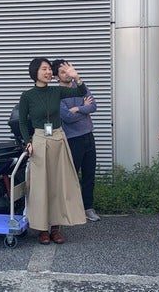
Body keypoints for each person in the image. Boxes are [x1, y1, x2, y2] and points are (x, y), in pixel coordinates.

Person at [18, 57, 87, 244]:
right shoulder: (27, 96)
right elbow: (23, 122)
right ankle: (42, 229)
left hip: (58, 139)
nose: (48, 72)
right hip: (40, 141)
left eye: (49, 69)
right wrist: (27, 142)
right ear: (35, 72)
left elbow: (81, 92)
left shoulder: (57, 91)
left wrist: (76, 77)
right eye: (44, 69)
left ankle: (56, 228)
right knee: (41, 186)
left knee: (58, 184)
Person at [52, 59, 100, 222]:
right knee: (71, 176)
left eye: (68, 70)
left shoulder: (79, 87)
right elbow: (67, 117)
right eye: (62, 72)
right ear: (56, 77)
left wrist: (78, 108)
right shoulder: (57, 94)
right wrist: (84, 109)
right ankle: (70, 209)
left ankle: (88, 208)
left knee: (89, 174)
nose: (67, 74)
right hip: (72, 139)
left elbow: (93, 106)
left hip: (88, 136)